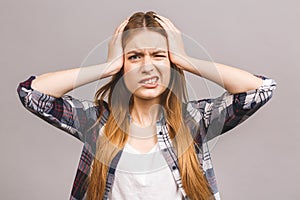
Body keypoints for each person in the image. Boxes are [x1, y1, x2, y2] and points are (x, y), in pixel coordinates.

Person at [17, 11, 277, 200]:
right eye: (134, 57)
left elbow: (260, 90)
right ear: (122, 65)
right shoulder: (96, 121)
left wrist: (185, 58)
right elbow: (32, 93)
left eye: (158, 55)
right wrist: (106, 67)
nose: (147, 67)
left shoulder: (195, 120)